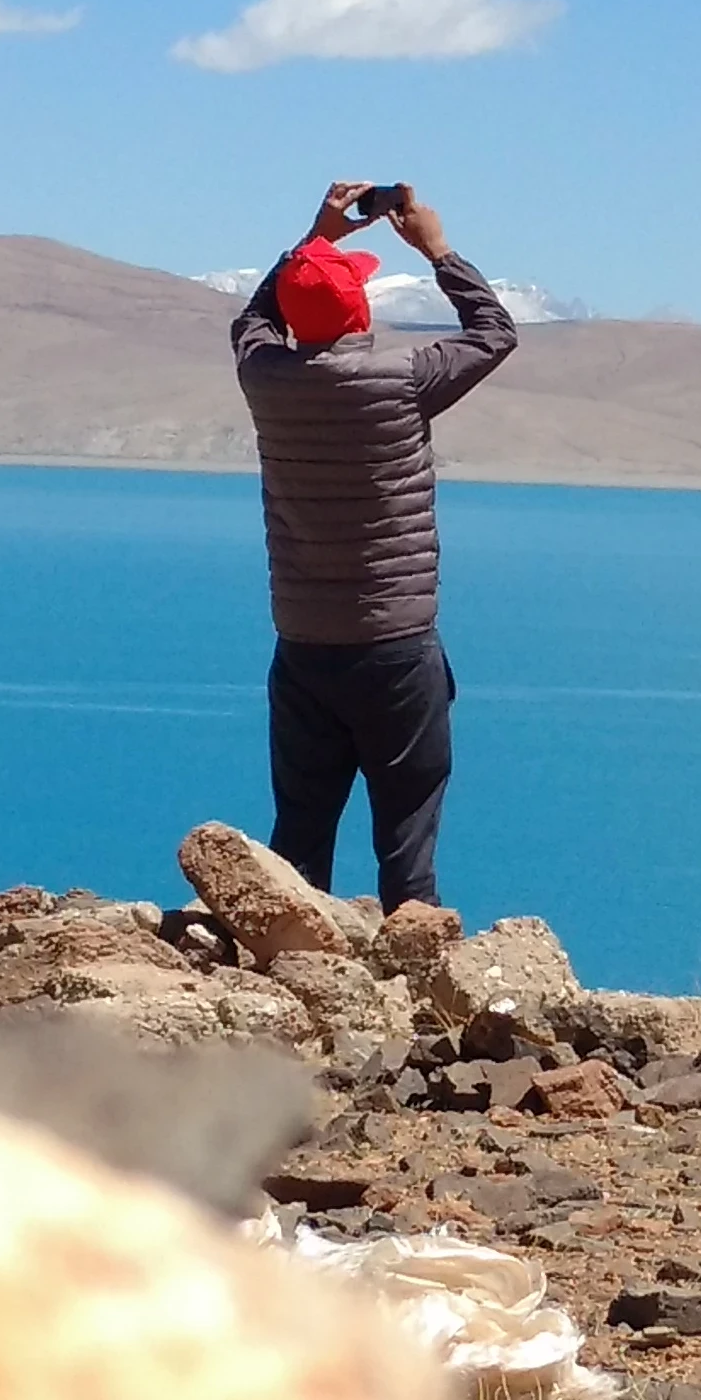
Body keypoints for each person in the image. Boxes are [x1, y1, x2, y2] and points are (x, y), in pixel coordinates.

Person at [230, 180, 518, 917]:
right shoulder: (404, 378)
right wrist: (436, 248)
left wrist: (316, 238)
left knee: (299, 838)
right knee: (407, 838)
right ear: (360, 310)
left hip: (303, 649)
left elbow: (252, 321)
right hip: (395, 649)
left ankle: (284, 982)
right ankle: (421, 985)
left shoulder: (265, 378)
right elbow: (494, 332)